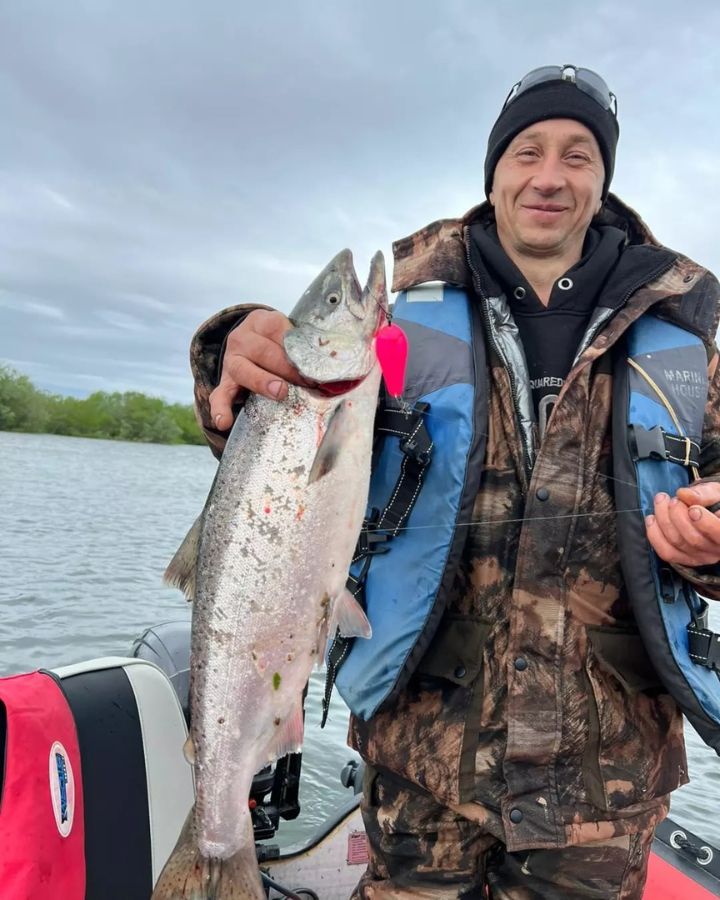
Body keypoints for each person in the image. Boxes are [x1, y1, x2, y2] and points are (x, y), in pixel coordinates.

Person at [189, 65, 720, 898]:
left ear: (603, 178)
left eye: (577, 155)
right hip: (420, 769)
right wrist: (229, 351)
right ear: (494, 170)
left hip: (605, 786)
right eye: (527, 151)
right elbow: (269, 460)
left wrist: (711, 548)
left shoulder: (686, 340)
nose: (549, 176)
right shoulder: (400, 315)